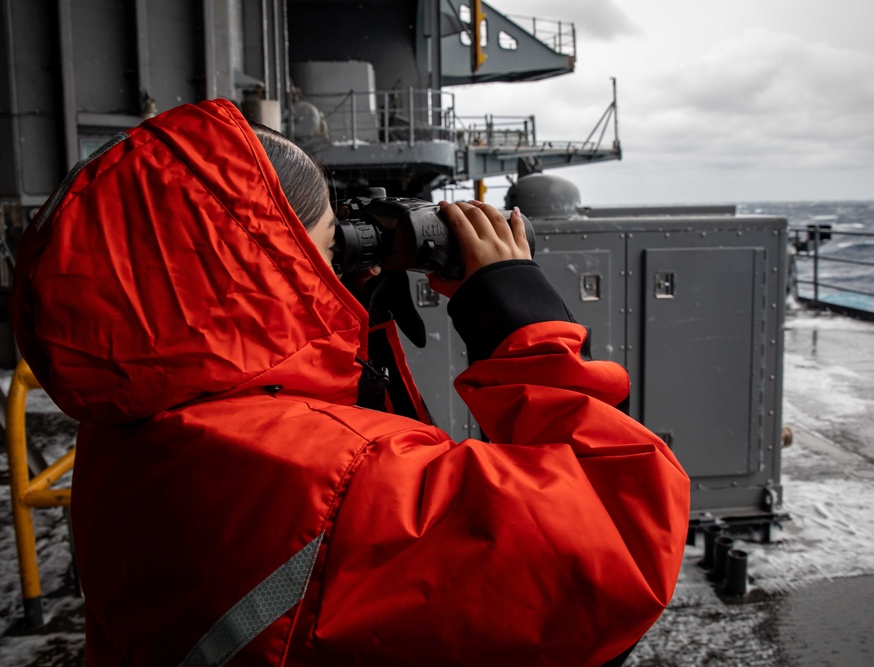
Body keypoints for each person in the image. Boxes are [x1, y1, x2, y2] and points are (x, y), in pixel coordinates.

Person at [11, 99, 690, 666]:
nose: (336, 261)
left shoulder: (129, 424)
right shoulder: (341, 484)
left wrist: (344, 325)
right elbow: (620, 534)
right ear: (266, 264)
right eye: (330, 243)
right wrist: (514, 312)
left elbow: (322, 518)